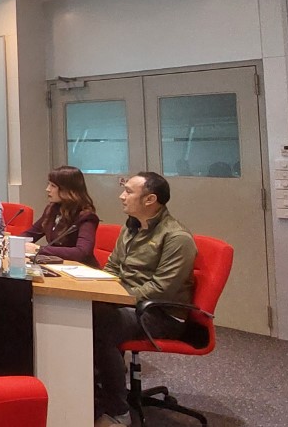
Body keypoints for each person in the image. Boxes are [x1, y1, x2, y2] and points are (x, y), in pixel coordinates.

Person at [93, 172, 197, 426]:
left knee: (100, 324)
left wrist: (116, 298)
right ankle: (96, 389)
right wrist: (98, 291)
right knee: (83, 311)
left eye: (129, 191)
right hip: (128, 304)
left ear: (150, 199)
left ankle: (118, 412)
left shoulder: (176, 237)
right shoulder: (130, 227)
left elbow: (161, 289)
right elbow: (112, 268)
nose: (122, 196)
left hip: (161, 314)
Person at [23, 166, 100, 267]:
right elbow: (31, 233)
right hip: (58, 266)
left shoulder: (86, 216)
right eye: (48, 184)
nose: (47, 189)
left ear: (68, 189)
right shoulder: (52, 209)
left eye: (53, 186)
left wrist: (38, 249)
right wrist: (10, 242)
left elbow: (82, 252)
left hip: (81, 270)